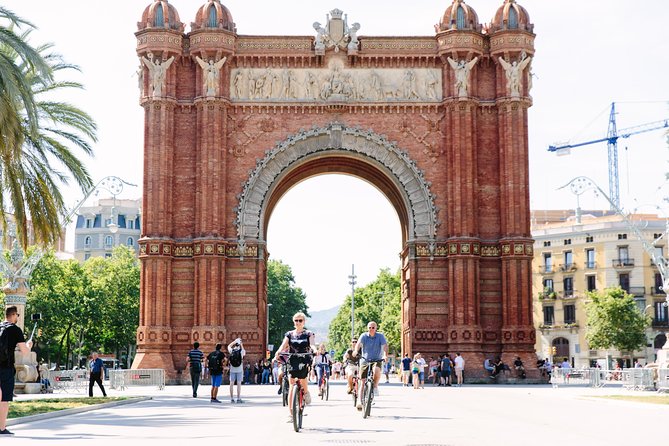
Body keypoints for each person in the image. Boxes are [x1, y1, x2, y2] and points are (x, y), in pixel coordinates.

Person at [273, 312, 316, 418]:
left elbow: (312, 344)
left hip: (304, 358)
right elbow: (283, 345)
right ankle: (292, 413)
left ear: (304, 322)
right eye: (296, 320)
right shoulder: (290, 334)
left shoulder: (308, 333)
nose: (298, 322)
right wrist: (278, 352)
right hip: (292, 359)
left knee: (303, 378)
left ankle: (305, 392)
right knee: (292, 383)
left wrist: (315, 350)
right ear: (294, 322)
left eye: (300, 320)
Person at [0, 306, 33, 435]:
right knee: (4, 399)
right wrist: (29, 345)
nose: (18, 318)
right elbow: (24, 352)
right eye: (17, 315)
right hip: (6, 368)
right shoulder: (15, 330)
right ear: (13, 315)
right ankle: (1, 428)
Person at [353, 321, 388, 410]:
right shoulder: (364, 336)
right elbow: (358, 345)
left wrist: (385, 355)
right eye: (369, 327)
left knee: (376, 370)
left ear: (376, 328)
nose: (371, 329)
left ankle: (375, 386)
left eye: (373, 327)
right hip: (365, 360)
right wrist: (356, 351)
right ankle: (360, 402)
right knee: (363, 381)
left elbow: (385, 346)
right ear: (367, 328)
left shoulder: (380, 336)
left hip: (377, 359)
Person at [228, 338, 246, 403]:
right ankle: (238, 398)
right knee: (239, 384)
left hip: (232, 369)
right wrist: (241, 345)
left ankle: (232, 398)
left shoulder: (232, 350)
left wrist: (234, 341)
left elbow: (228, 346)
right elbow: (244, 352)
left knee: (231, 384)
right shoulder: (241, 351)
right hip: (239, 369)